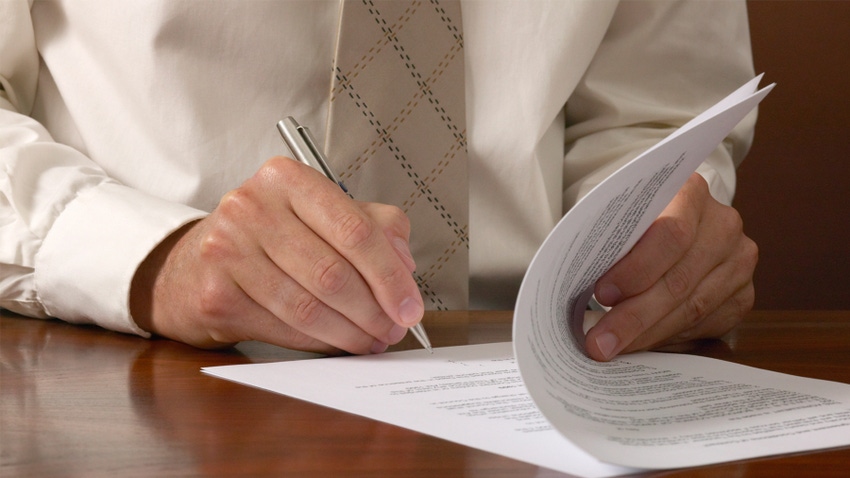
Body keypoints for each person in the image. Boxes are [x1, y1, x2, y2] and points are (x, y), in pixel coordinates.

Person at [0, 0, 758, 361]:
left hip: (549, 380)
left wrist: (654, 237)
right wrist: (153, 259)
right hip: (149, 366)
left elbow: (658, 108)